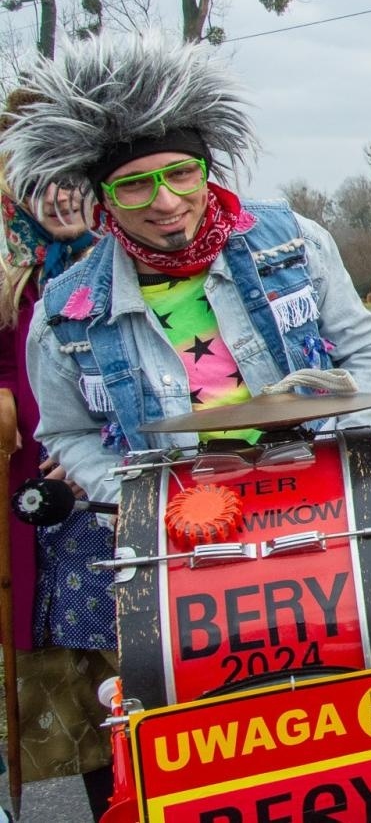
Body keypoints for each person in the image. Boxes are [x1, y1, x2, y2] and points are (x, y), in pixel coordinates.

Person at [8, 33, 371, 509]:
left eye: (181, 174)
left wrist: (354, 465)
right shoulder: (63, 314)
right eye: (134, 186)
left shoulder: (295, 241)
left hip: (320, 497)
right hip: (179, 531)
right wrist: (142, 507)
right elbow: (70, 431)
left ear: (205, 168)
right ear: (103, 196)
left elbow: (363, 351)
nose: (166, 202)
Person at [0, 99, 111, 819]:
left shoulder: (139, 261)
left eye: (74, 176)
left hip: (142, 509)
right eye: (44, 177)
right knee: (99, 718)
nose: (62, 194)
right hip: (52, 531)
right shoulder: (12, 284)